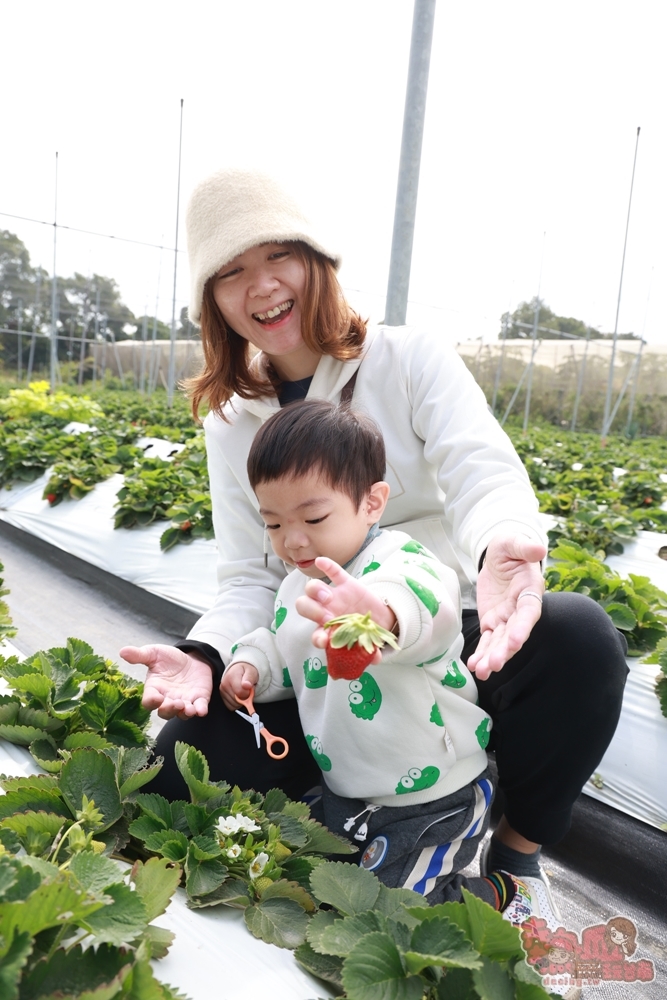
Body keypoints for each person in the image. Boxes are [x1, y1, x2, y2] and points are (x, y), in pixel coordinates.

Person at [120, 166, 628, 929]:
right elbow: (246, 577)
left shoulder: (406, 358)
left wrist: (504, 548)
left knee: (580, 639)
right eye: (228, 272)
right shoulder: (231, 421)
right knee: (173, 767)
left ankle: (513, 860)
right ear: (211, 301)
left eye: (274, 257)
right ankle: (349, 823)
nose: (258, 287)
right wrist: (210, 655)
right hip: (319, 656)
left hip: (442, 633)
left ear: (316, 261)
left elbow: (478, 472)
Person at [220, 398, 513, 909]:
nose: (292, 539)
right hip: (349, 790)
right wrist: (251, 666)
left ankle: (492, 896)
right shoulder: (296, 586)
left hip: (435, 793)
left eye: (312, 516)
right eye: (272, 523)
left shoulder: (399, 561)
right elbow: (282, 643)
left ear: (372, 503)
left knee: (398, 910)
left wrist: (380, 614)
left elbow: (433, 609)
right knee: (313, 879)